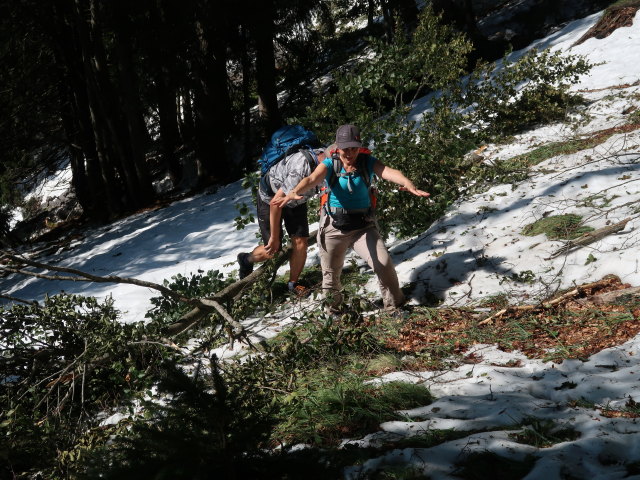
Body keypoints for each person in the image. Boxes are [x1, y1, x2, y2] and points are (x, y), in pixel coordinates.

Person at [273, 124, 430, 311]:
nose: (350, 153)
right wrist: (295, 191)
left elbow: (388, 172)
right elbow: (312, 179)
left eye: (354, 148)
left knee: (384, 264)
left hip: (363, 226)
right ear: (337, 147)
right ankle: (335, 310)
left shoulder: (367, 162)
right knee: (330, 276)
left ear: (359, 146)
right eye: (345, 148)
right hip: (333, 226)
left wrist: (407, 183)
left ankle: (394, 306)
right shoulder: (330, 164)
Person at [237, 146, 327, 296]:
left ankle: (293, 284)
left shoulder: (333, 161)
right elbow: (275, 202)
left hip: (296, 199)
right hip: (270, 198)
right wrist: (274, 237)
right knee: (272, 250)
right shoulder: (300, 169)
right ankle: (246, 259)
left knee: (301, 242)